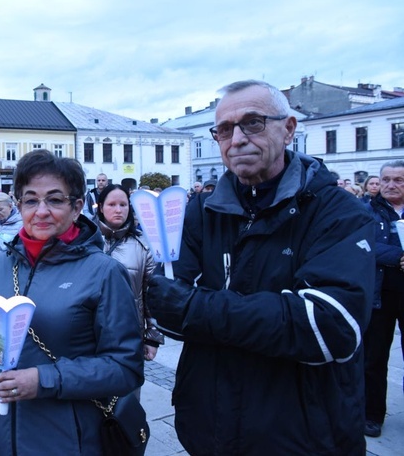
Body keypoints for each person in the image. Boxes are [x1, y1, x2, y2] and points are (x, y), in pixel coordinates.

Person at [146, 80, 376, 454]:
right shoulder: (202, 212)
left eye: (252, 123)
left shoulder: (336, 211)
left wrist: (197, 307)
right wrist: (182, 306)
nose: (236, 139)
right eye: (223, 130)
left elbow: (329, 327)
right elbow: (168, 307)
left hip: (302, 433)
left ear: (288, 130)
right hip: (209, 426)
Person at [0, 150, 143, 455]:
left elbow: (125, 367)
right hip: (4, 437)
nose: (41, 211)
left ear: (77, 207)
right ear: (19, 205)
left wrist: (43, 379)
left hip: (70, 440)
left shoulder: (104, 271)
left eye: (55, 200)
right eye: (31, 200)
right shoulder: (4, 265)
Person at [96, 184, 163, 364]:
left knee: (127, 389)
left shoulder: (143, 245)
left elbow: (153, 295)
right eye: (112, 205)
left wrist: (152, 337)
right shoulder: (85, 241)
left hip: (129, 334)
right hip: (89, 334)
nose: (118, 210)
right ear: (101, 207)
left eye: (123, 205)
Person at [363, 160, 404, 438]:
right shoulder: (366, 210)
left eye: (398, 180)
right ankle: (372, 415)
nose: (391, 184)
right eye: (386, 179)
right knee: (374, 358)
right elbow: (364, 246)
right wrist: (399, 257)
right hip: (379, 295)